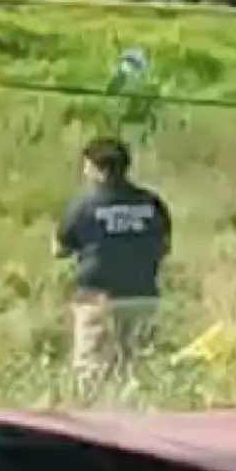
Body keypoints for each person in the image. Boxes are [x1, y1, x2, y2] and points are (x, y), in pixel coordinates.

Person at [54, 137, 172, 381]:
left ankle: (94, 415)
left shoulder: (83, 205)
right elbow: (164, 245)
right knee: (138, 368)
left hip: (96, 298)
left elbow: (60, 248)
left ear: (98, 169)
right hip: (142, 295)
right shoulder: (152, 203)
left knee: (91, 370)